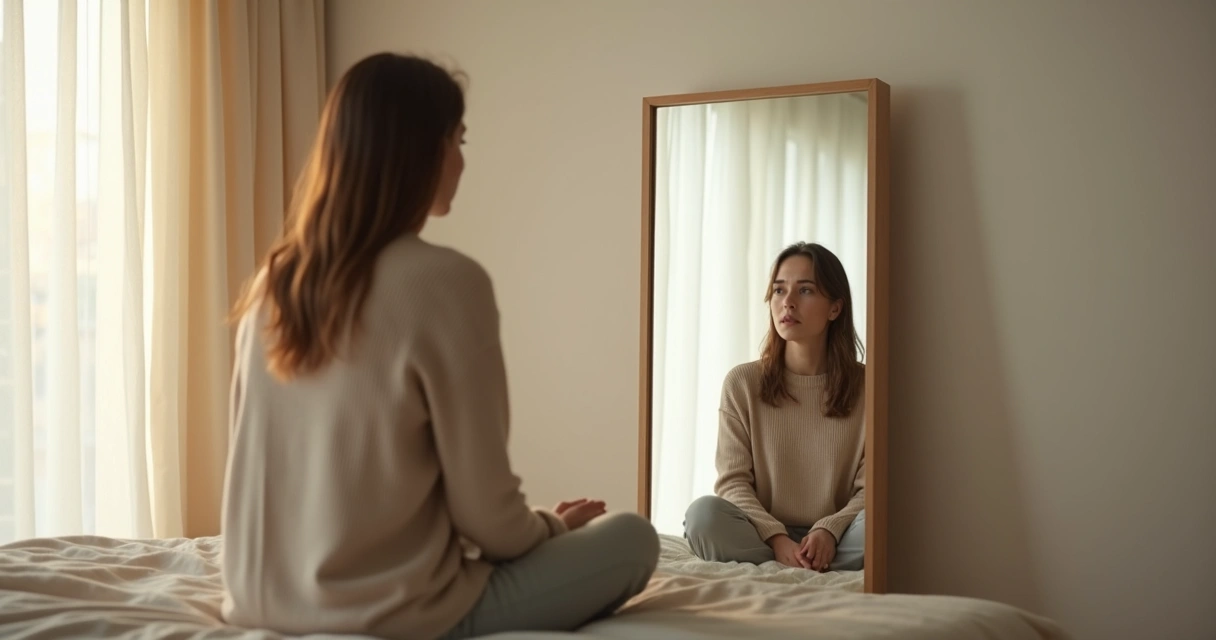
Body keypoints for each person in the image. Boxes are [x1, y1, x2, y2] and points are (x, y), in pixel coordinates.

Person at [220, 53, 658, 640]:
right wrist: (551, 527)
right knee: (633, 538)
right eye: (458, 139)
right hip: (397, 614)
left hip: (254, 601)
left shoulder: (271, 286)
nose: (461, 160)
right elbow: (488, 519)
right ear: (420, 151)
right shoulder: (445, 281)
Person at [684, 242, 866, 573]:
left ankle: (800, 562)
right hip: (762, 534)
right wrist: (777, 538)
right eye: (779, 290)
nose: (788, 302)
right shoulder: (742, 383)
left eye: (806, 290)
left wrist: (828, 529)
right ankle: (793, 562)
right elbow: (733, 483)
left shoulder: (870, 387)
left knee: (886, 518)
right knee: (703, 516)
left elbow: (872, 488)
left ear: (835, 308)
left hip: (840, 536)